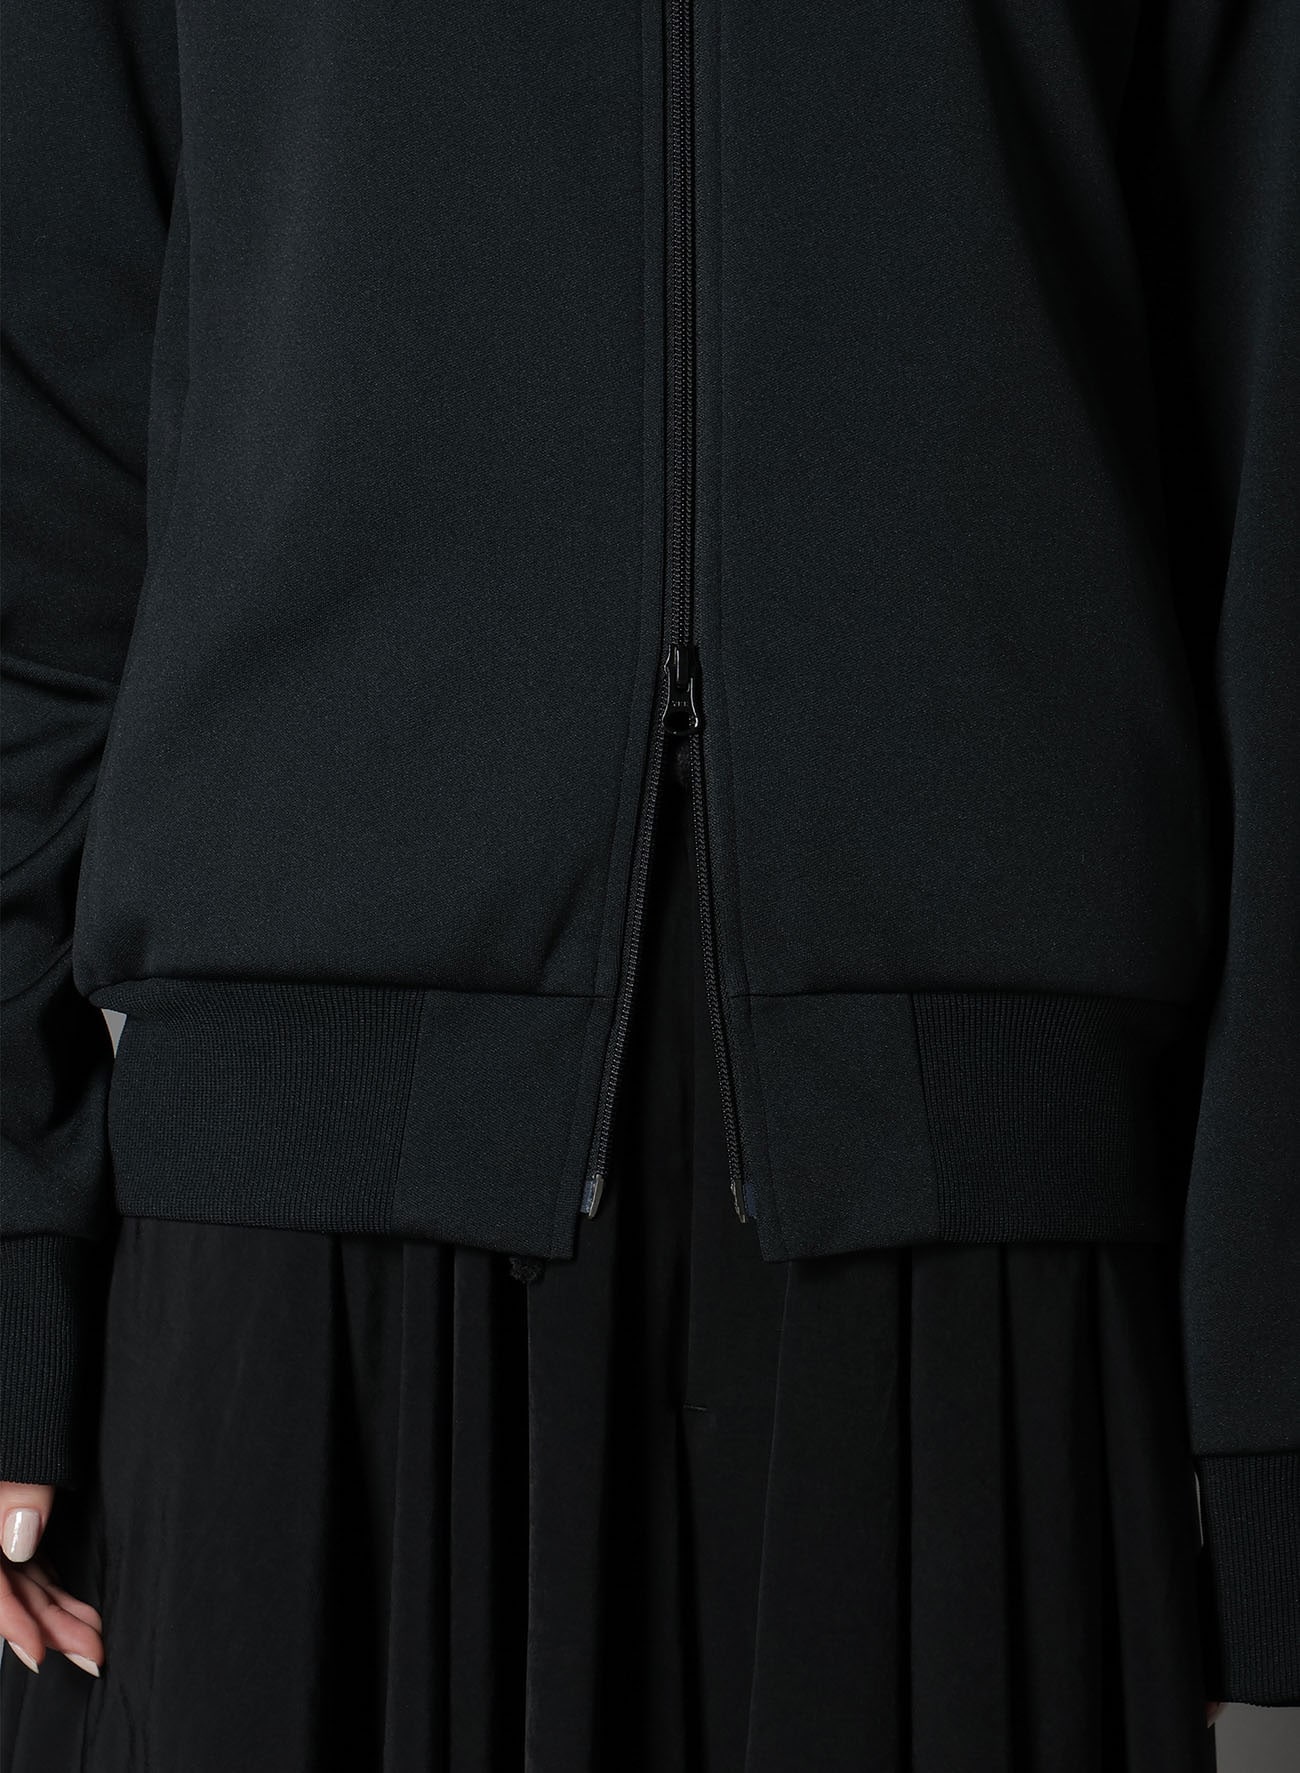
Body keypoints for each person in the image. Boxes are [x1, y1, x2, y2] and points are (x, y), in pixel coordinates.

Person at [2, 0, 1296, 1766]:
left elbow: (1273, 429)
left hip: (981, 1221)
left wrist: (1269, 1385)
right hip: (292, 1254)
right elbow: (40, 436)